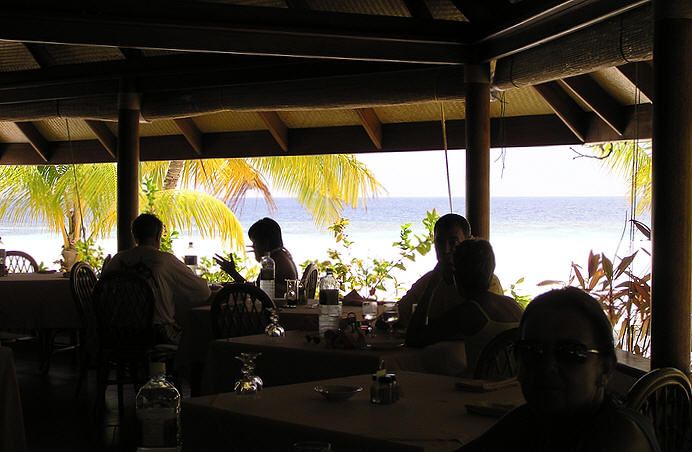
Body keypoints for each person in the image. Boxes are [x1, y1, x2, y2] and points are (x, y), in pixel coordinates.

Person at [457, 287, 661, 452]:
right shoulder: (532, 421)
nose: (547, 366)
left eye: (570, 353)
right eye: (532, 351)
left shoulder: (619, 436)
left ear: (605, 369)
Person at [406, 239, 523, 374]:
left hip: (482, 390)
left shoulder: (470, 312)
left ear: (456, 275)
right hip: (512, 388)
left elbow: (414, 339)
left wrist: (432, 285)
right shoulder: (513, 305)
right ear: (491, 272)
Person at [102, 213, 211, 344]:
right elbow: (203, 291)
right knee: (200, 338)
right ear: (159, 235)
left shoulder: (117, 259)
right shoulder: (164, 260)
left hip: (117, 333)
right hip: (156, 335)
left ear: (134, 235)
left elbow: (103, 293)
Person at [396, 213, 504, 329]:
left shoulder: (487, 283)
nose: (446, 250)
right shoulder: (429, 281)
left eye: (453, 242)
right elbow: (399, 313)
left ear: (467, 243)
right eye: (440, 242)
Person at [215, 217, 298, 298]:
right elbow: (258, 289)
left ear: (265, 243)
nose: (253, 247)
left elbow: (257, 293)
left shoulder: (272, 262)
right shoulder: (283, 254)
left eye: (254, 243)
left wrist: (233, 272)